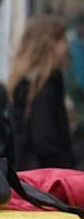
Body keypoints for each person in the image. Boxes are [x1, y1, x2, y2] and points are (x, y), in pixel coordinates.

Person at [7, 16, 75, 171]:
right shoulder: (45, 84)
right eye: (62, 40)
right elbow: (45, 140)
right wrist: (67, 172)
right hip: (45, 180)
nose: (67, 45)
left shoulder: (24, 82)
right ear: (49, 43)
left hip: (26, 174)